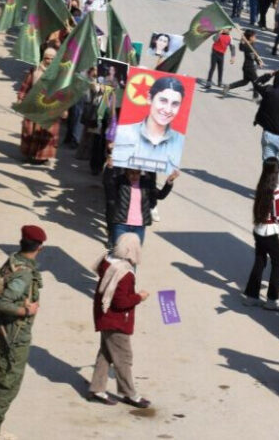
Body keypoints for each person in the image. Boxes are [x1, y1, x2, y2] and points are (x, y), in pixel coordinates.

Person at [0, 225, 47, 439]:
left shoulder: (13, 261)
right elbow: (3, 304)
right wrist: (26, 309)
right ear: (39, 247)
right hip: (15, 334)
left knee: (5, 378)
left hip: (8, 331)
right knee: (9, 383)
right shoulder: (24, 275)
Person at [88, 233, 152, 408]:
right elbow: (121, 302)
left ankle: (97, 388)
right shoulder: (125, 273)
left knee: (106, 353)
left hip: (104, 315)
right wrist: (139, 297)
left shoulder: (108, 259)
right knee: (123, 357)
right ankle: (130, 394)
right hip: (116, 321)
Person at [111, 76, 187, 174]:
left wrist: (169, 182)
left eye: (175, 104)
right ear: (149, 98)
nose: (168, 110)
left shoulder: (178, 140)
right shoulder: (124, 132)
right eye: (163, 101)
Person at [242, 158, 279, 311]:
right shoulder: (274, 191)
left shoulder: (262, 185)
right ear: (276, 172)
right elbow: (278, 216)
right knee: (278, 264)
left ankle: (251, 296)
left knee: (260, 262)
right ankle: (272, 300)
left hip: (258, 230)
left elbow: (276, 192)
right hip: (270, 233)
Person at [106, 167, 178, 245]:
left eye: (138, 173)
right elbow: (108, 185)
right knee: (118, 253)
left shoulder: (146, 183)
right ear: (126, 171)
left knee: (134, 254)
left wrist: (169, 182)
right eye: (132, 173)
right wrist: (109, 169)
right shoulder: (120, 181)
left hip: (139, 227)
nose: (135, 176)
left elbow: (160, 195)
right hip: (121, 225)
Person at [17, 48, 62, 164]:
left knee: (46, 133)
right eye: (47, 58)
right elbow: (26, 85)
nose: (49, 61)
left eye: (52, 59)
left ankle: (44, 157)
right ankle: (29, 155)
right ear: (43, 58)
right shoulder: (35, 70)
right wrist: (21, 98)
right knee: (30, 131)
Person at [222, 29, 263, 99]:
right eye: (254, 37)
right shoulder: (247, 46)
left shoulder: (252, 45)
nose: (255, 38)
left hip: (248, 67)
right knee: (256, 82)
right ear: (250, 38)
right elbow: (241, 48)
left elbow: (254, 55)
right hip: (248, 68)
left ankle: (229, 86)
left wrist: (258, 62)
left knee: (245, 82)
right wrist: (242, 40)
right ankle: (255, 97)